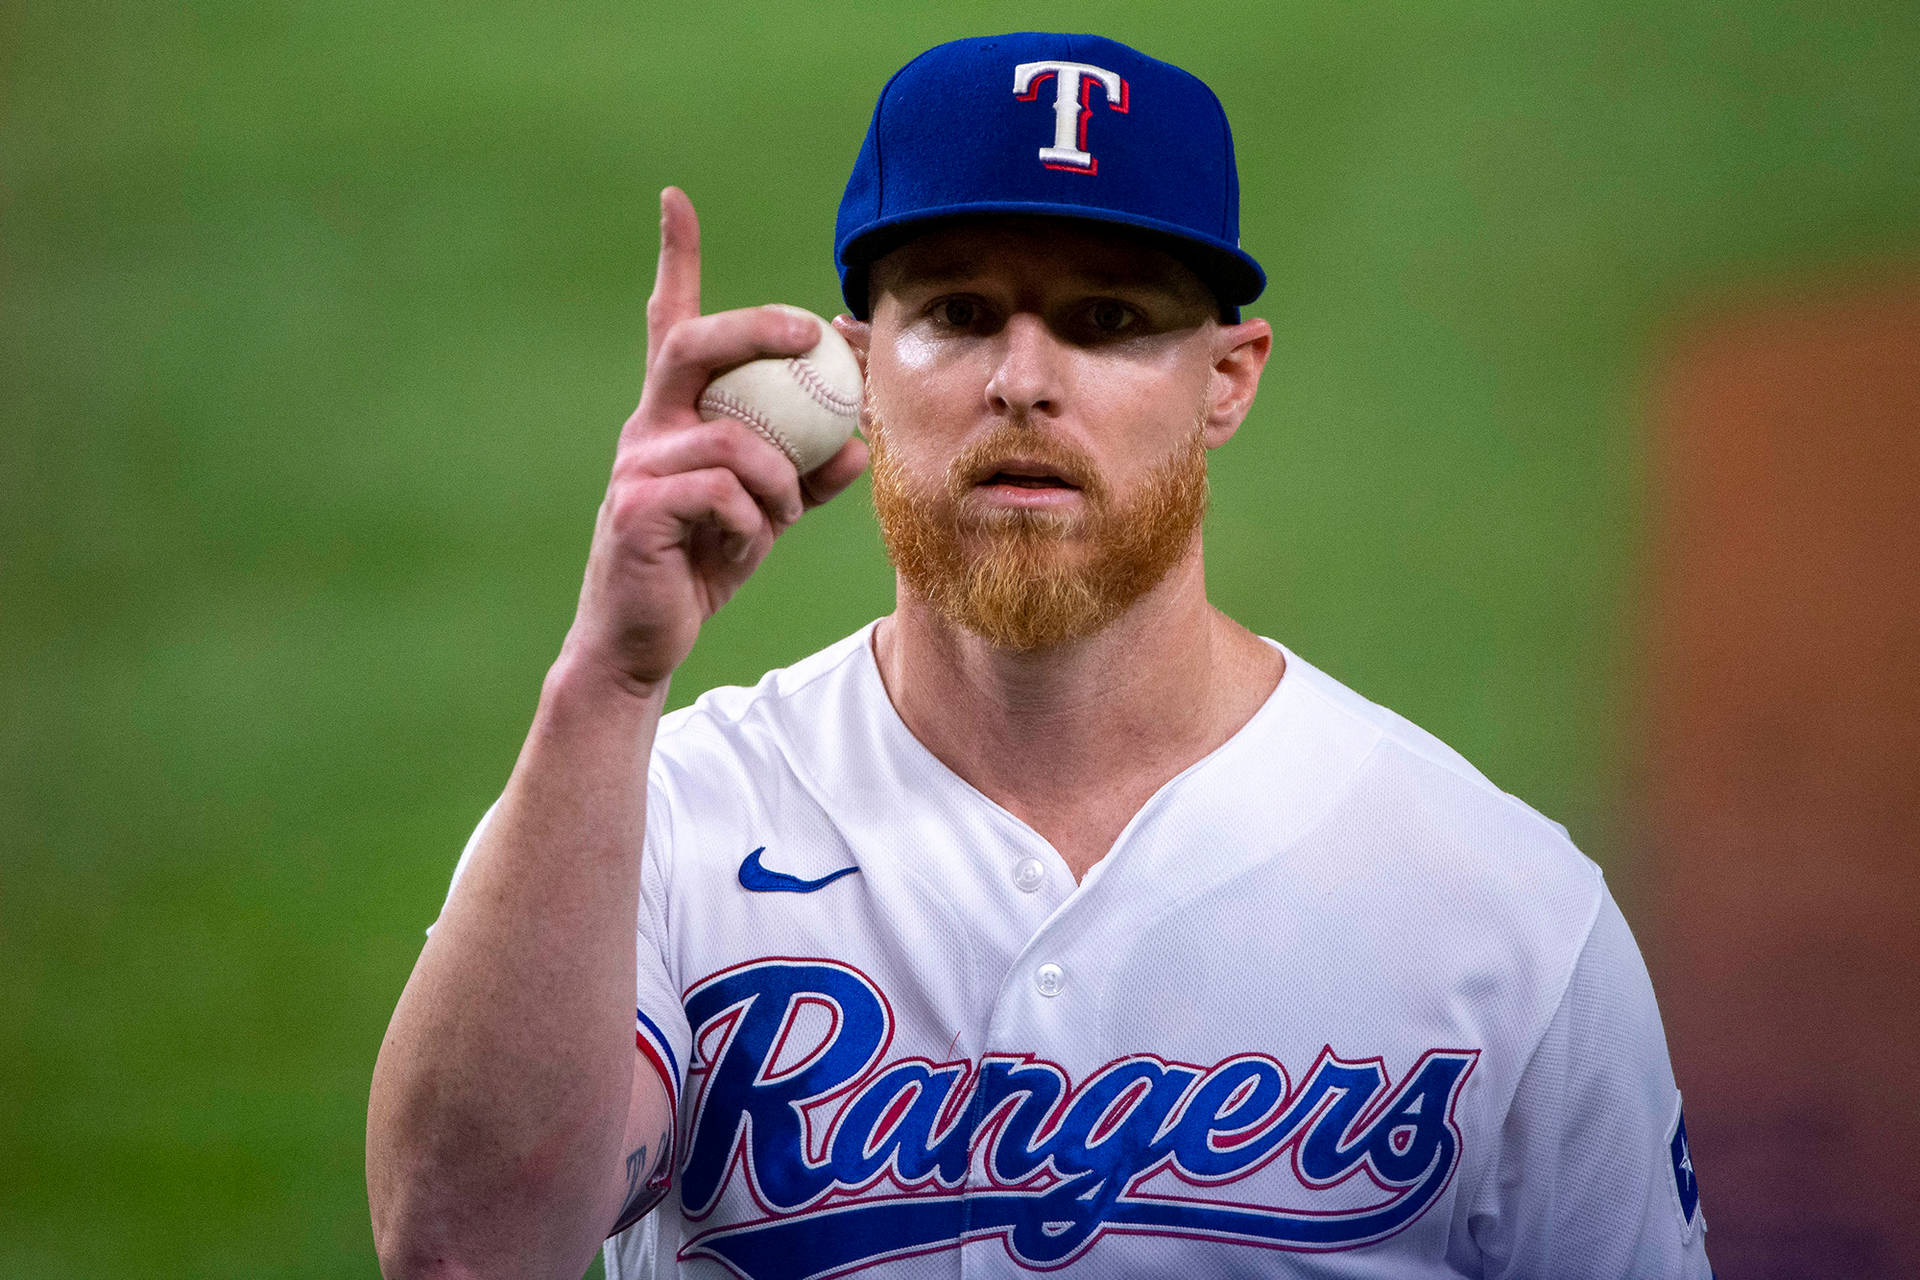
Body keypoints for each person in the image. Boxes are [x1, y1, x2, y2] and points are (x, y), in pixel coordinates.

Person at [367, 32, 1712, 1280]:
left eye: (1107, 321)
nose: (1022, 377)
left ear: (1229, 379)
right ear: (855, 369)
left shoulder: (1501, 914)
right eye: (956, 312)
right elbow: (461, 1253)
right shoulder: (654, 823)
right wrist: (610, 675)